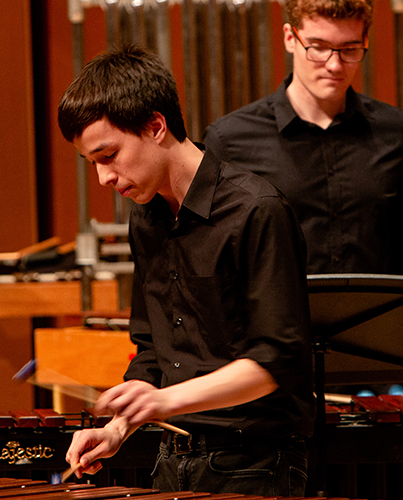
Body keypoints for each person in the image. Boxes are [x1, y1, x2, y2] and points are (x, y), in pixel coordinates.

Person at [57, 45, 314, 495]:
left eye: (108, 155)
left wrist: (163, 401)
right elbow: (153, 351)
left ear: (156, 127)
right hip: (172, 460)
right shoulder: (146, 218)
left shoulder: (256, 210)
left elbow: (278, 360)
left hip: (252, 466)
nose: (103, 179)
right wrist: (118, 428)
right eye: (93, 163)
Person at [202, 0, 403, 277]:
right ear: (290, 37)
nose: (334, 65)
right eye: (319, 47)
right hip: (277, 320)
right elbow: (214, 264)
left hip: (376, 318)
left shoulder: (397, 132)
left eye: (349, 49)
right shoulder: (229, 140)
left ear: (365, 40)